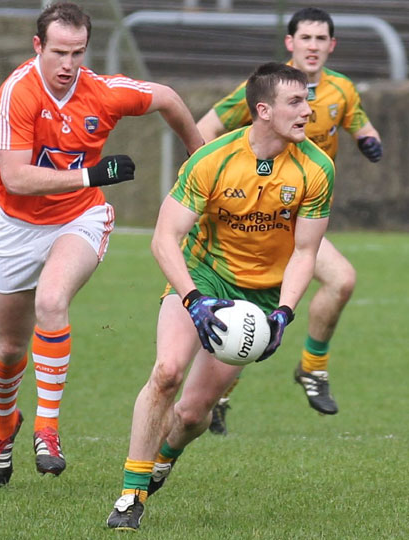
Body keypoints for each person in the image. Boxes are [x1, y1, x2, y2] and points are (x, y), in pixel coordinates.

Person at [107, 62, 334, 531]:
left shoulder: (317, 168)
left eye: (307, 101)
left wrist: (284, 315)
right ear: (263, 110)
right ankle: (130, 495)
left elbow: (306, 251)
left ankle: (165, 457)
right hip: (203, 278)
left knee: (192, 415)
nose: (308, 111)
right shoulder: (212, 159)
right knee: (167, 372)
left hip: (260, 298)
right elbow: (164, 238)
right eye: (296, 102)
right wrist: (194, 300)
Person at [0, 1, 204, 487]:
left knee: (52, 300)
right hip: (18, 227)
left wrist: (199, 157)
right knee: (9, 346)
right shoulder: (16, 94)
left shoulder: (101, 93)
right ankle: (3, 430)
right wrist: (89, 173)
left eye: (77, 53)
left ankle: (47, 427)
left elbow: (166, 97)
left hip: (79, 219)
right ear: (38, 46)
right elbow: (16, 178)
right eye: (58, 52)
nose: (67, 64)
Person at [197, 7, 383, 434]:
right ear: (290, 43)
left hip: (301, 221)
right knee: (248, 306)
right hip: (254, 222)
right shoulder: (264, 90)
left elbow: (360, 124)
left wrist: (370, 141)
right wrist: (210, 176)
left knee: (342, 280)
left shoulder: (341, 90)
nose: (313, 46)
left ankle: (312, 368)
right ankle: (218, 397)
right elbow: (205, 128)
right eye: (306, 38)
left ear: (332, 46)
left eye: (322, 39)